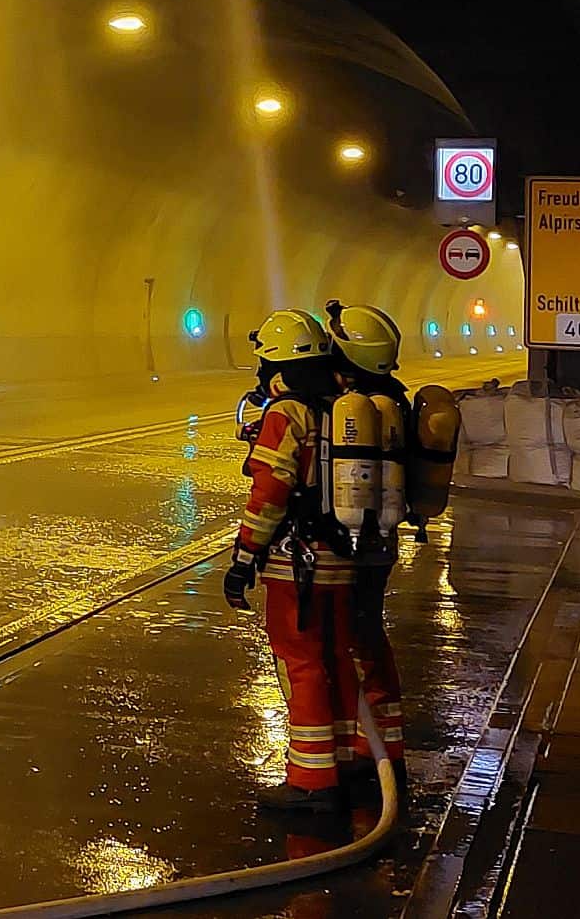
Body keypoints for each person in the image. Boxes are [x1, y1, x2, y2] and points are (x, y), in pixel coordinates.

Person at [224, 308, 357, 812]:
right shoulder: (343, 406)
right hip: (345, 555)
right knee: (336, 658)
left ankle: (310, 781)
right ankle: (348, 761)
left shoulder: (286, 414)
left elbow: (269, 493)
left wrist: (243, 558)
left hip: (295, 561)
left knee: (299, 664)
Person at [323, 300, 407, 788]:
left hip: (348, 541)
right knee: (368, 633)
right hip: (383, 538)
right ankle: (381, 744)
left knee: (345, 640)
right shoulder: (393, 401)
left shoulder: (348, 410)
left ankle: (359, 752)